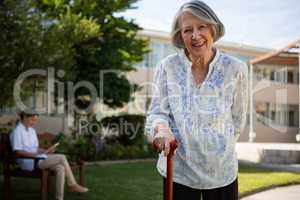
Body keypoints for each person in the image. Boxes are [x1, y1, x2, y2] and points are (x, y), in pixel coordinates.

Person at [145, 1, 248, 200]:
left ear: (213, 28)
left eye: (202, 26)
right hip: (178, 171)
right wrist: (161, 129)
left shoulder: (236, 69)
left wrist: (217, 148)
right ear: (180, 35)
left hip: (221, 172)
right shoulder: (168, 67)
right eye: (187, 30)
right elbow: (157, 113)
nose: (195, 35)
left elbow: (238, 120)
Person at [10, 110, 88, 200]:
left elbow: (36, 149)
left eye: (35, 120)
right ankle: (72, 184)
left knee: (60, 168)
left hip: (38, 159)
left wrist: (46, 151)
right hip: (28, 162)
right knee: (61, 157)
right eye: (32, 120)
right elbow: (18, 152)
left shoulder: (32, 131)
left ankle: (59, 198)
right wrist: (35, 155)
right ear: (24, 118)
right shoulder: (17, 131)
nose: (34, 123)